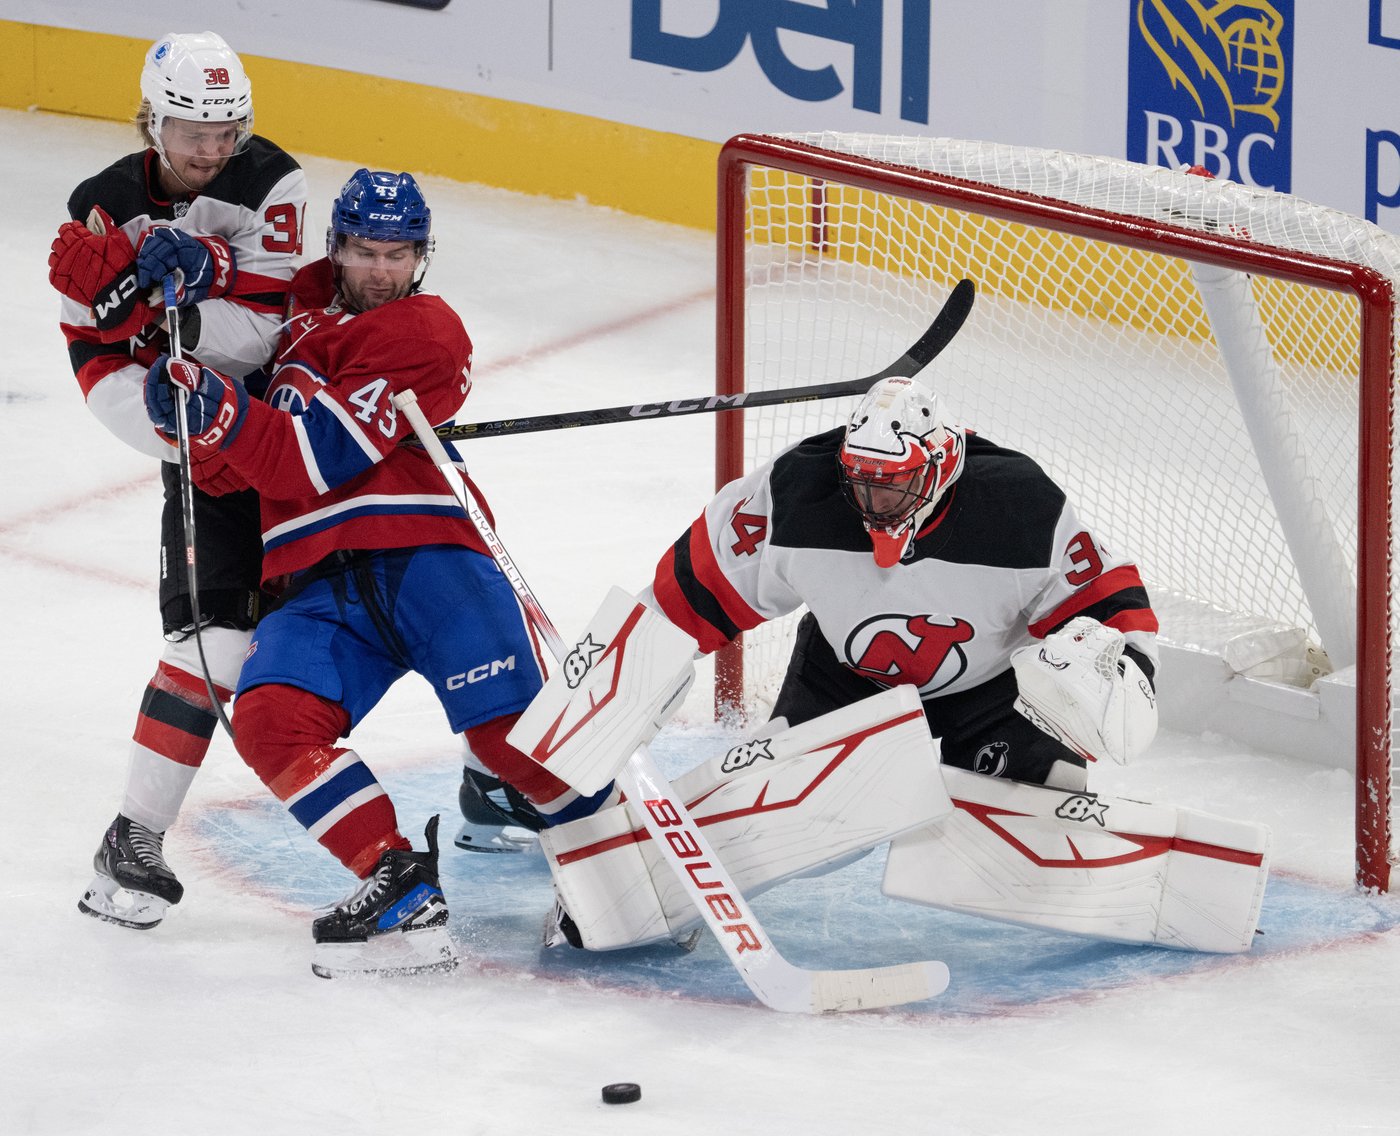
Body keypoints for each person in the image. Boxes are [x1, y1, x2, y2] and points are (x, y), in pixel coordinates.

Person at [140, 168, 614, 977]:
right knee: (270, 718)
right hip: (316, 584)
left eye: (400, 254)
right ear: (338, 248)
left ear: (422, 258)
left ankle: (622, 869)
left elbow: (308, 458)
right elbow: (263, 282)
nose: (382, 271)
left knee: (511, 739)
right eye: (365, 251)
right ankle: (394, 883)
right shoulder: (300, 311)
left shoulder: (424, 330)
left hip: (427, 553)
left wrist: (219, 413)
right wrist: (202, 264)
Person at [48, 31, 307, 930]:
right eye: (192, 130)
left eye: (227, 128)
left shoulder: (273, 179)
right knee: (216, 645)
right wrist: (172, 415)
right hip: (213, 446)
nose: (210, 149)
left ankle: (493, 782)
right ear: (149, 121)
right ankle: (134, 835)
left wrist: (200, 285)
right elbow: (97, 358)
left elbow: (279, 323)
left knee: (402, 594)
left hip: (301, 429)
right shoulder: (101, 207)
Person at [645, 373, 1160, 792]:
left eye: (894, 487)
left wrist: (1125, 671)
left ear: (941, 466)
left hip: (993, 694)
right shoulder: (795, 493)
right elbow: (690, 594)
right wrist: (619, 674)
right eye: (862, 484)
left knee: (1053, 796)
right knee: (766, 791)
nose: (875, 505)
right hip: (844, 681)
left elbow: (1104, 598)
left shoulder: (1020, 505)